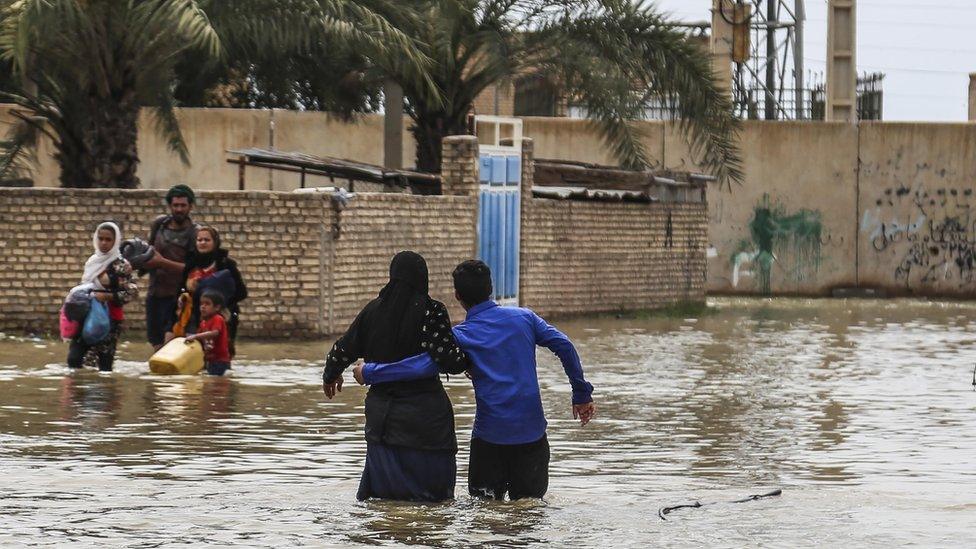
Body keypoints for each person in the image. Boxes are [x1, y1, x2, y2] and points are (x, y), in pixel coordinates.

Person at [360, 259, 595, 501]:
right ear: (490, 289)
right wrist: (581, 393)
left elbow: (423, 366)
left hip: (489, 440)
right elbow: (564, 345)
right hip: (531, 437)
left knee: (484, 512)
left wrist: (370, 372)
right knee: (529, 511)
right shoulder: (524, 318)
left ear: (457, 296)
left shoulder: (462, 335)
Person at [321, 251, 471, 502]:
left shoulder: (373, 311)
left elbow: (342, 349)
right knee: (433, 505)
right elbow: (449, 361)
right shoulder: (431, 311)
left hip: (384, 422)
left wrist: (330, 375)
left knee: (384, 502)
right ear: (424, 279)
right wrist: (468, 359)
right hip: (426, 422)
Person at [67, 221, 137, 371]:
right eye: (101, 238)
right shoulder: (92, 262)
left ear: (115, 241)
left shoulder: (122, 265)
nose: (104, 243)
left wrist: (108, 297)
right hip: (86, 315)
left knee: (104, 365)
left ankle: (105, 393)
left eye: (108, 239)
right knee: (74, 359)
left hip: (109, 320)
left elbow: (131, 292)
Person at [169, 226, 247, 354]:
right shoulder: (191, 264)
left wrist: (219, 305)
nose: (202, 243)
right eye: (199, 240)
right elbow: (181, 291)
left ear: (215, 243)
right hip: (193, 318)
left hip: (221, 318)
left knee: (219, 355)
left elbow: (241, 292)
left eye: (207, 240)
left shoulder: (225, 264)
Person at [143, 184, 200, 350]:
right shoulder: (159, 225)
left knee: (173, 345)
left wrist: (162, 263)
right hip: (155, 294)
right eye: (175, 205)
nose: (179, 209)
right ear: (170, 206)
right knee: (156, 344)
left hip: (180, 298)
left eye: (183, 205)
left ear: (190, 207)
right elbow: (149, 252)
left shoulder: (194, 233)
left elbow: (193, 270)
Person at [184, 290, 232, 376]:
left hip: (220, 361)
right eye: (201, 304)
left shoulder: (218, 319)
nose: (203, 307)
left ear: (217, 307)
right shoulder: (203, 323)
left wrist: (195, 336)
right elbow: (200, 341)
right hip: (210, 360)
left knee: (215, 384)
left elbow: (215, 333)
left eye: (207, 304)